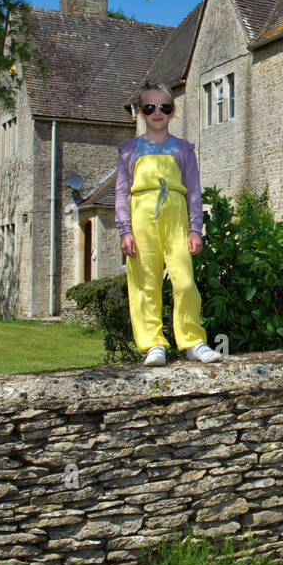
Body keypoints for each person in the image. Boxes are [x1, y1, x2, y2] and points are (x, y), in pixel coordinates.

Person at [115, 80, 222, 366]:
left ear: (173, 112)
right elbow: (121, 193)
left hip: (176, 218)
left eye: (164, 107)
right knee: (145, 284)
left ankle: (192, 341)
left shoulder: (184, 149)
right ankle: (153, 345)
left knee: (185, 282)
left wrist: (195, 229)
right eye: (150, 107)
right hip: (141, 218)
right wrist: (125, 230)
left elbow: (195, 192)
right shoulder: (129, 150)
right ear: (140, 112)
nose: (157, 112)